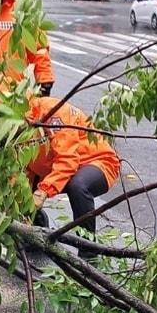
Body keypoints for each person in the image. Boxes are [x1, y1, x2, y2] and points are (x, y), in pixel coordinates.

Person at [24, 96, 121, 244]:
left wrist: (44, 190)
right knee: (21, 191)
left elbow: (67, 160)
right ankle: (36, 229)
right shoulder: (15, 129)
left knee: (78, 186)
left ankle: (88, 250)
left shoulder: (54, 113)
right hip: (54, 166)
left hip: (96, 162)